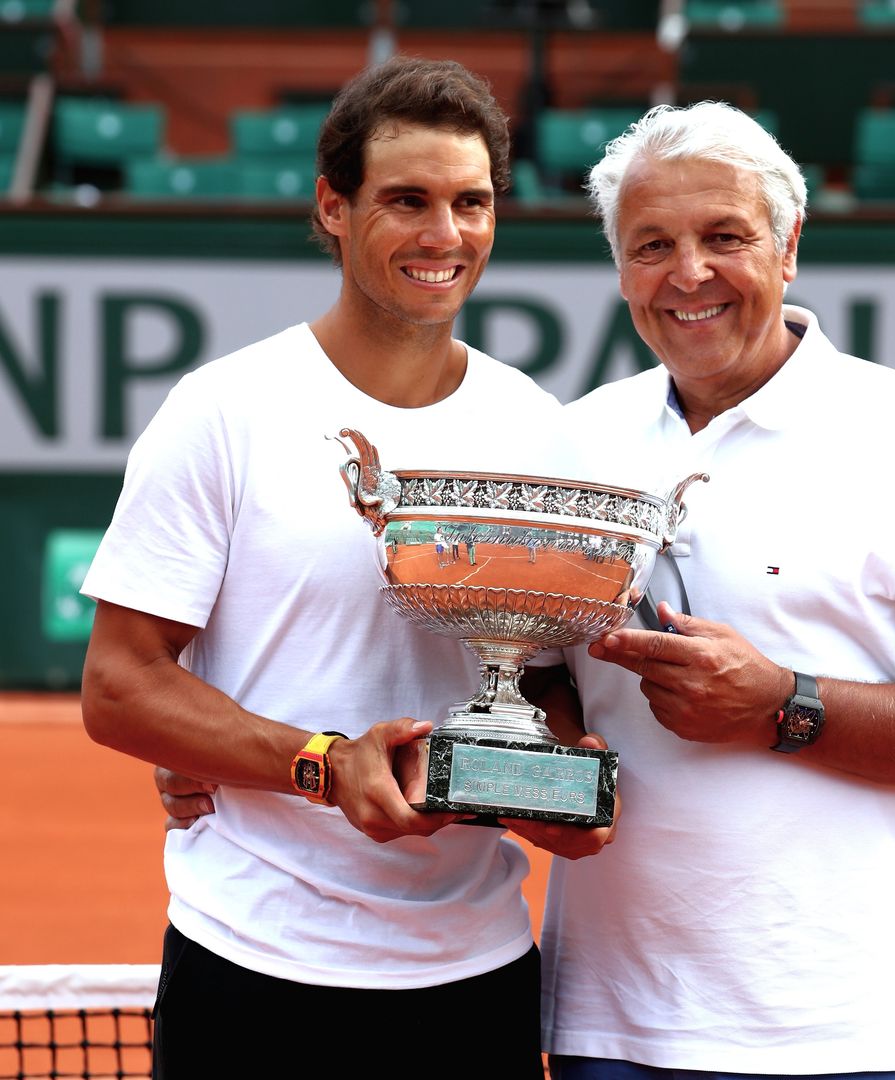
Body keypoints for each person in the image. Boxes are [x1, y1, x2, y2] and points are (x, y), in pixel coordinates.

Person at [80, 56, 609, 1079]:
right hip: (252, 967)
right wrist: (320, 764)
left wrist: (568, 786)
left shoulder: (538, 430)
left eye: (471, 202)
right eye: (406, 201)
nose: (444, 236)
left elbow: (539, 681)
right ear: (334, 207)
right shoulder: (222, 409)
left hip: (475, 975)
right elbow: (120, 684)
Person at [536, 101, 895, 1080]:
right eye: (653, 245)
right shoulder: (573, 444)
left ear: (788, 247)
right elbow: (532, 674)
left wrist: (782, 705)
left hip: (848, 1035)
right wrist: (548, 754)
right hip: (613, 1028)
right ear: (619, 268)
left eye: (724, 237)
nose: (688, 274)